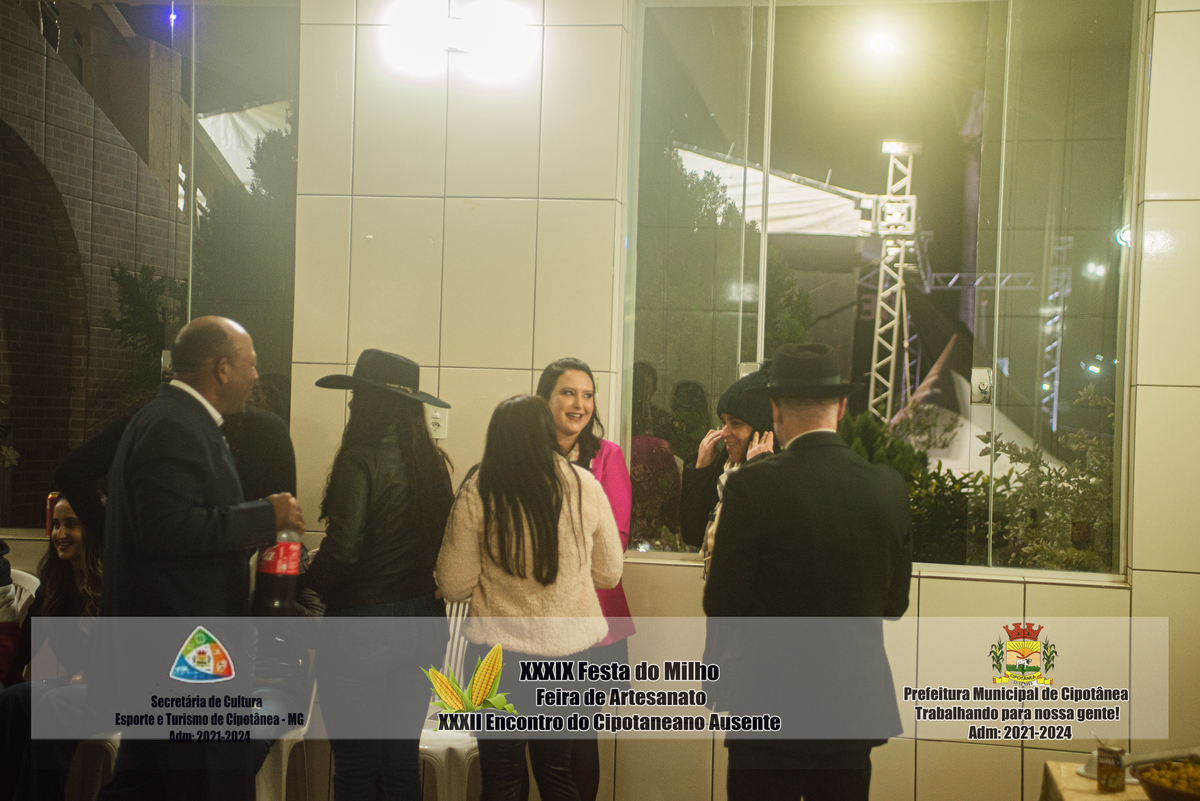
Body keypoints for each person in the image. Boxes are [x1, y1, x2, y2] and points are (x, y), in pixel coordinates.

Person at [94, 316, 305, 801]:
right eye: (251, 364)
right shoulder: (174, 425)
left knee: (144, 785)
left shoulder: (173, 419)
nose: (257, 376)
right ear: (223, 368)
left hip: (164, 651)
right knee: (211, 784)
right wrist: (264, 516)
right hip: (185, 655)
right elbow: (167, 529)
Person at [703, 344, 912, 801]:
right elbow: (894, 606)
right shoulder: (888, 487)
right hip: (853, 707)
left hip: (768, 703)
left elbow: (722, 603)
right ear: (842, 406)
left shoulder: (751, 486)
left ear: (775, 408)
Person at [436, 395, 623, 801]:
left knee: (501, 779)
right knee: (556, 772)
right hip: (568, 658)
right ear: (547, 433)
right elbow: (610, 573)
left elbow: (452, 584)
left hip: (496, 660)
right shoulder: (584, 485)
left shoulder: (480, 489)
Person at [303, 349, 454, 801]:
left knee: (356, 769)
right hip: (424, 624)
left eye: (359, 395)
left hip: (363, 629)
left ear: (376, 403)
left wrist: (304, 582)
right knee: (401, 765)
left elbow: (344, 550)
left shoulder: (360, 459)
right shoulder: (433, 466)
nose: (352, 403)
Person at [535, 358, 633, 799]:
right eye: (568, 393)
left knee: (578, 732)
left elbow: (616, 538)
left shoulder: (606, 455)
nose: (580, 404)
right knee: (530, 737)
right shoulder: (523, 454)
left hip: (592, 619)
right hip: (530, 616)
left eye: (588, 395)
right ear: (545, 399)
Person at [0, 494, 102, 800]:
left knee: (53, 706)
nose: (60, 533)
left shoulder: (115, 580)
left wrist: (91, 673)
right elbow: (29, 636)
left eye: (71, 524)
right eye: (56, 525)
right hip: (75, 684)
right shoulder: (56, 579)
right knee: (12, 700)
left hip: (118, 685)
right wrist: (8, 676)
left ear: (92, 529)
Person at [680, 366, 777, 575]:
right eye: (723, 422)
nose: (724, 432)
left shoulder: (781, 473)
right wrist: (700, 469)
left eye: (736, 423)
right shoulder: (725, 469)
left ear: (762, 429)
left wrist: (757, 471)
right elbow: (692, 534)